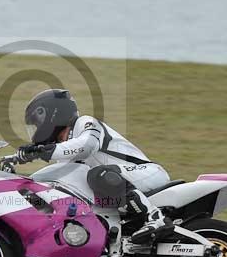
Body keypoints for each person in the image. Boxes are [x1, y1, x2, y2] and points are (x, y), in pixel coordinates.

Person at [9, 88, 173, 244]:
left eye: (37, 124)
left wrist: (42, 151)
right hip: (120, 186)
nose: (36, 131)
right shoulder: (65, 154)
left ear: (53, 114)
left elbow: (87, 146)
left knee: (98, 175)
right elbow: (53, 181)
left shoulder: (85, 123)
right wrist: (18, 180)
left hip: (147, 173)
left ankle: (155, 218)